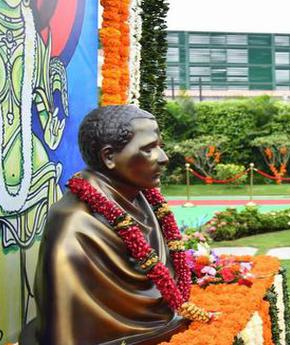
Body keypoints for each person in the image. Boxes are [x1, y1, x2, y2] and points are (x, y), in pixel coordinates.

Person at [19, 105, 209, 345]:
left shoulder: (142, 199)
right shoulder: (76, 226)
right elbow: (67, 329)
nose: (164, 158)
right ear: (109, 157)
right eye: (149, 149)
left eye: (159, 146)